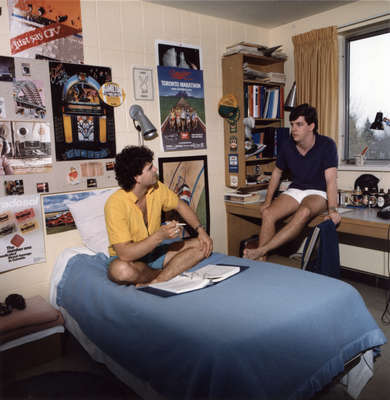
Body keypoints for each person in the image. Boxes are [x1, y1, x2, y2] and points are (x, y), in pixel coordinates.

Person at [243, 103, 341, 261]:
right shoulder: (287, 145)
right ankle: (262, 263)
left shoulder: (327, 145)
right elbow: (276, 173)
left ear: (311, 126)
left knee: (304, 212)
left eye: (299, 124)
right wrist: (267, 202)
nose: (294, 129)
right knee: (268, 214)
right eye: (292, 124)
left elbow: (331, 181)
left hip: (318, 192)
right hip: (296, 189)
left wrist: (332, 210)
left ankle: (262, 250)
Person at [105, 145, 213, 285]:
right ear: (137, 177)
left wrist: (201, 231)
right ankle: (167, 272)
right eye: (150, 168)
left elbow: (180, 205)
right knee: (121, 270)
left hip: (154, 253)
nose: (155, 169)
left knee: (203, 245)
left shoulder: (156, 188)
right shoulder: (115, 204)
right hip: (129, 259)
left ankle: (158, 280)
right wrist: (159, 236)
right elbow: (125, 254)